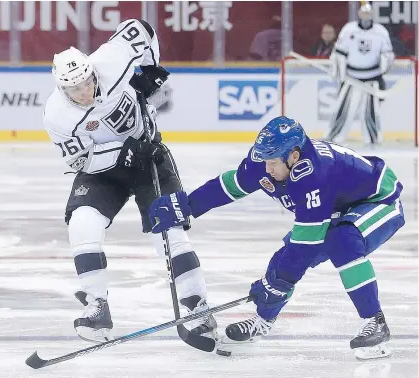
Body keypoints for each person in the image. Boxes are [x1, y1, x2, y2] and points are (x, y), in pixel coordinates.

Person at [149, 116, 405, 360]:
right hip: (337, 205)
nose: (267, 169)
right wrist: (187, 206)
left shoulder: (313, 175)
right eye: (265, 161)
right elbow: (230, 186)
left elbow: (305, 249)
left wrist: (276, 286)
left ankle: (375, 321)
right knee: (282, 260)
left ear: (294, 156)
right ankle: (263, 321)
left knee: (342, 241)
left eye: (273, 163)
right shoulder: (266, 160)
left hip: (378, 200)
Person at [43, 19, 216, 343]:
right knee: (82, 223)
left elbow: (142, 28)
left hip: (150, 157)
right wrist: (121, 150)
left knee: (168, 231)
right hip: (105, 170)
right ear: (61, 88)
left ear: (93, 70)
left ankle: (197, 305)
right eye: (74, 88)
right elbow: (79, 159)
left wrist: (150, 68)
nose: (84, 91)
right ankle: (97, 307)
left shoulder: (111, 59)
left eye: (87, 81)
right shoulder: (56, 114)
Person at [328, 2, 395, 145]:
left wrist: (385, 65)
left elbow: (388, 54)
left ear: (372, 15)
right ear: (359, 13)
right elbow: (339, 52)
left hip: (372, 77)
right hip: (351, 77)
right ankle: (334, 137)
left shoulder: (380, 31)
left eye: (368, 13)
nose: (365, 16)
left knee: (371, 112)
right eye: (363, 13)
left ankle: (373, 139)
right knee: (343, 109)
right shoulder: (348, 30)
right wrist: (337, 70)